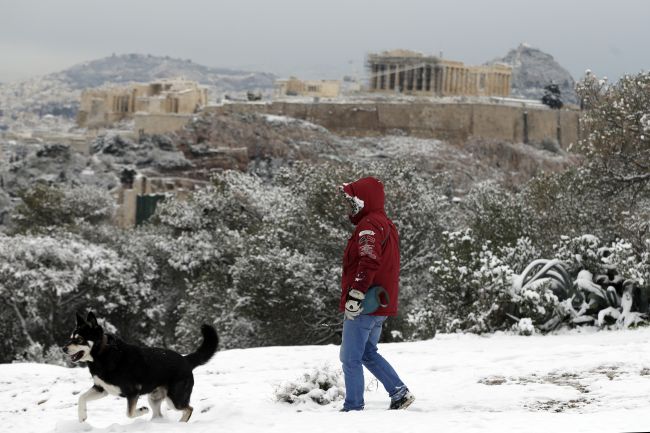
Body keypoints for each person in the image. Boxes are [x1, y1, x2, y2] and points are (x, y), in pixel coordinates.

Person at [338, 176, 415, 412]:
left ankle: (353, 407)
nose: (350, 206)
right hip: (379, 303)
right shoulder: (386, 224)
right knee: (368, 353)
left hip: (365, 303)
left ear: (364, 200)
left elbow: (369, 260)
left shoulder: (369, 226)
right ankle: (399, 392)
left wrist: (356, 295)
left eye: (353, 201)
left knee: (350, 357)